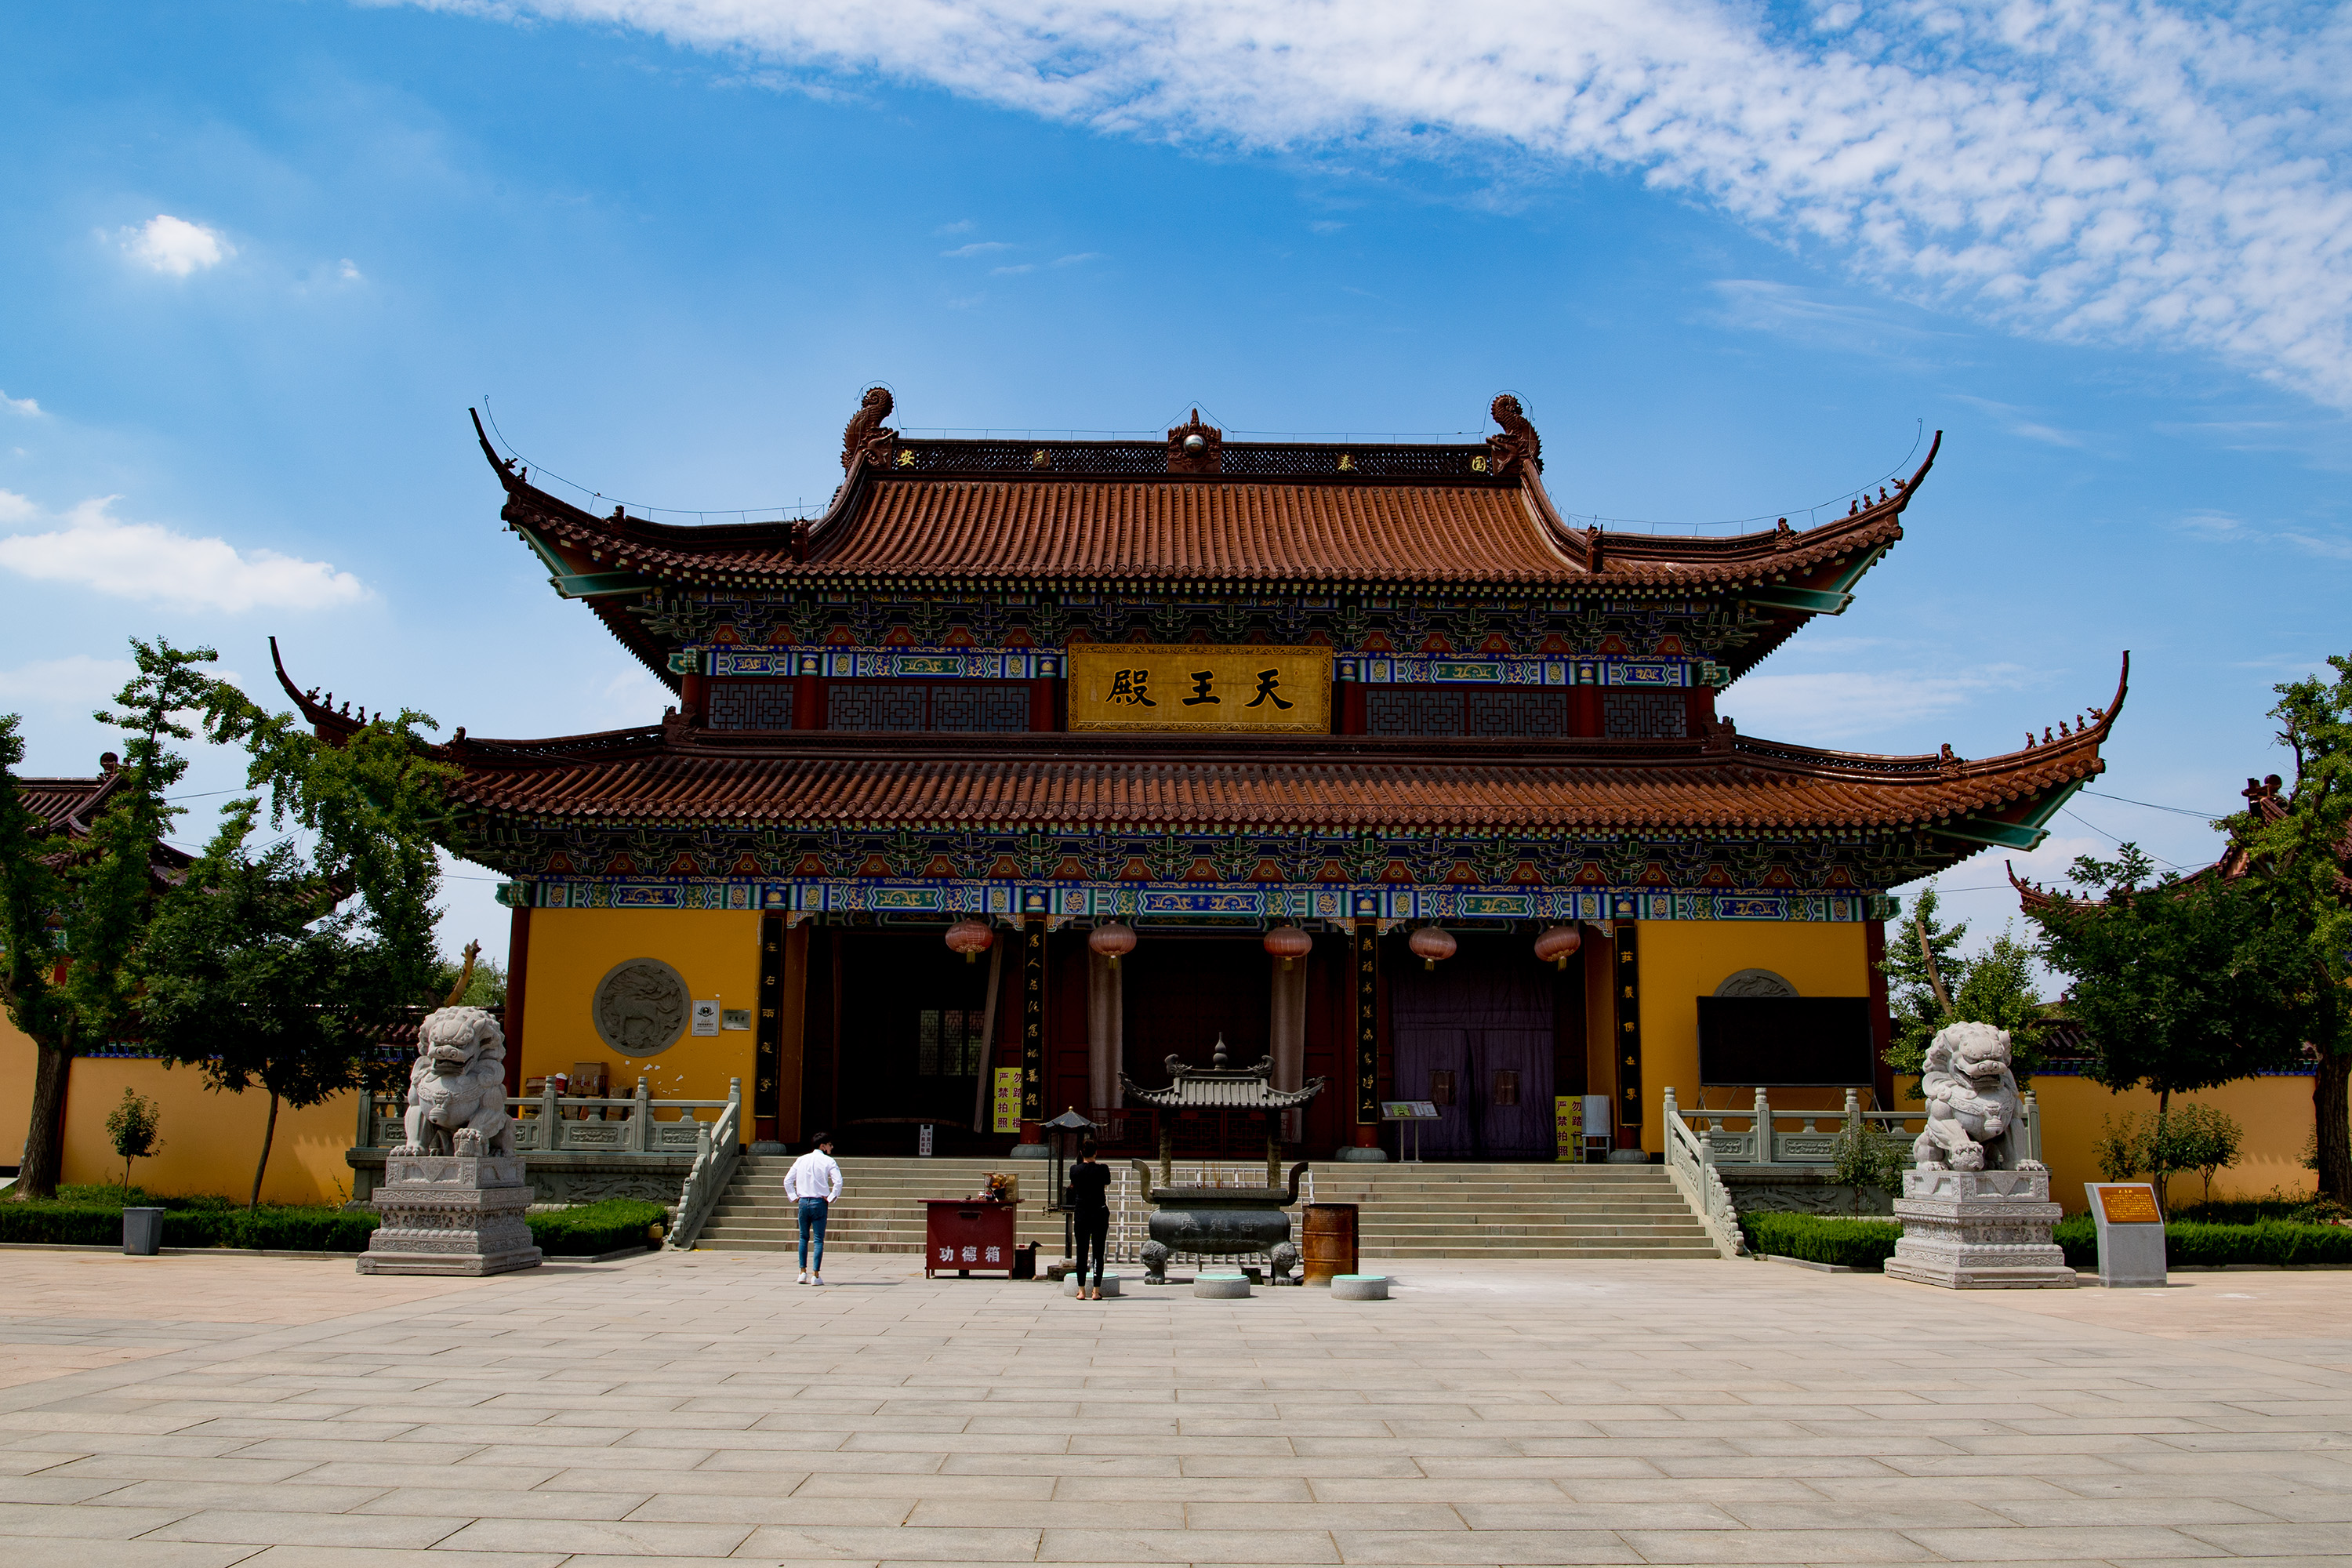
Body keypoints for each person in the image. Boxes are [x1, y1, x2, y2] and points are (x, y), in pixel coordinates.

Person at [784, 1131, 840, 1285]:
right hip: (819, 1202)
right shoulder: (829, 1161)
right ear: (823, 1146)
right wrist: (830, 1198)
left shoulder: (801, 1160)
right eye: (829, 1145)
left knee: (803, 1237)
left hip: (803, 1201)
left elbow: (787, 1180)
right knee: (818, 1240)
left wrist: (794, 1196)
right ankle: (815, 1275)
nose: (831, 1147)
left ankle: (802, 1272)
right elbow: (838, 1182)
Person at [1066, 1138, 1111, 1301]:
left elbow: (1075, 1184)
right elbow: (1106, 1182)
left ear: (1081, 1153)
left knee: (1082, 1251)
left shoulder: (1075, 1170)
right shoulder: (1103, 1169)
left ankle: (1081, 1290)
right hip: (1099, 1212)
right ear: (1096, 1153)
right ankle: (1096, 1290)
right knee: (1098, 1252)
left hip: (1082, 1213)